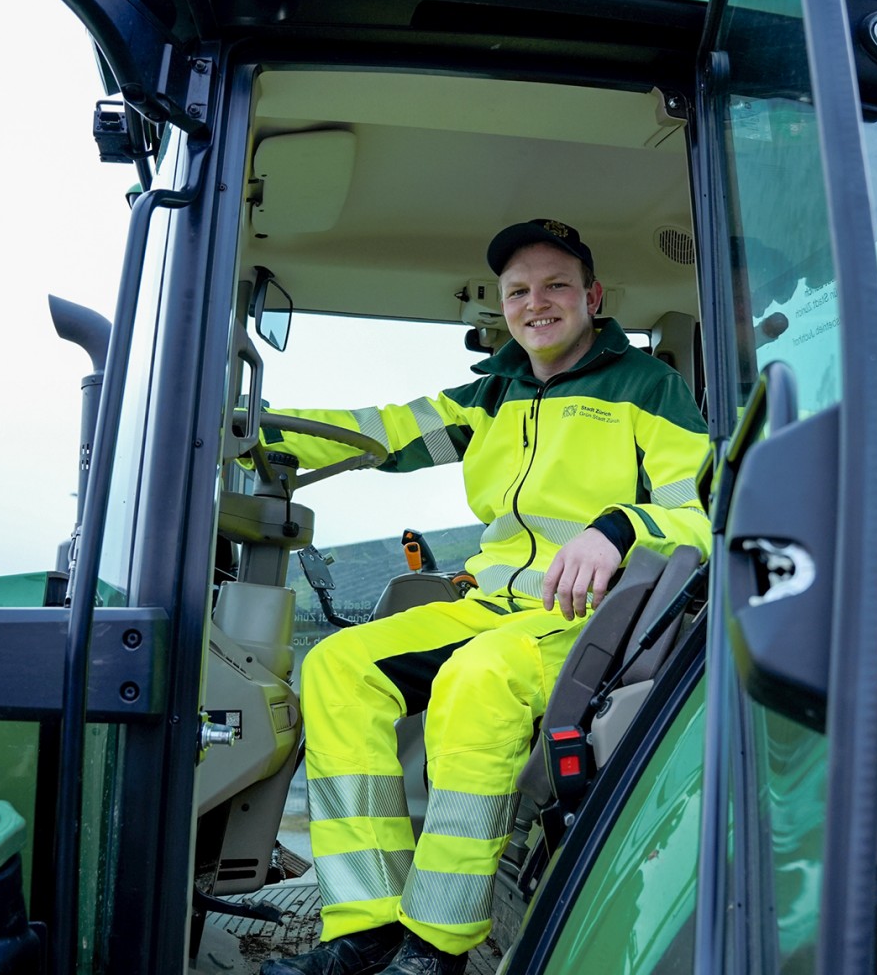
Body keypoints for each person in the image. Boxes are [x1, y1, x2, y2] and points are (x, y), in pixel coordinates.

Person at [263, 218, 711, 975]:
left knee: (479, 682)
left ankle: (436, 948)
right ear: (501, 308)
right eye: (519, 291)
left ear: (593, 297)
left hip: (586, 613)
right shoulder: (490, 395)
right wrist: (258, 432)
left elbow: (697, 515)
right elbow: (385, 432)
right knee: (338, 667)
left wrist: (617, 527)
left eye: (556, 285)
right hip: (490, 604)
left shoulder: (648, 388)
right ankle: (364, 923)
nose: (538, 303)